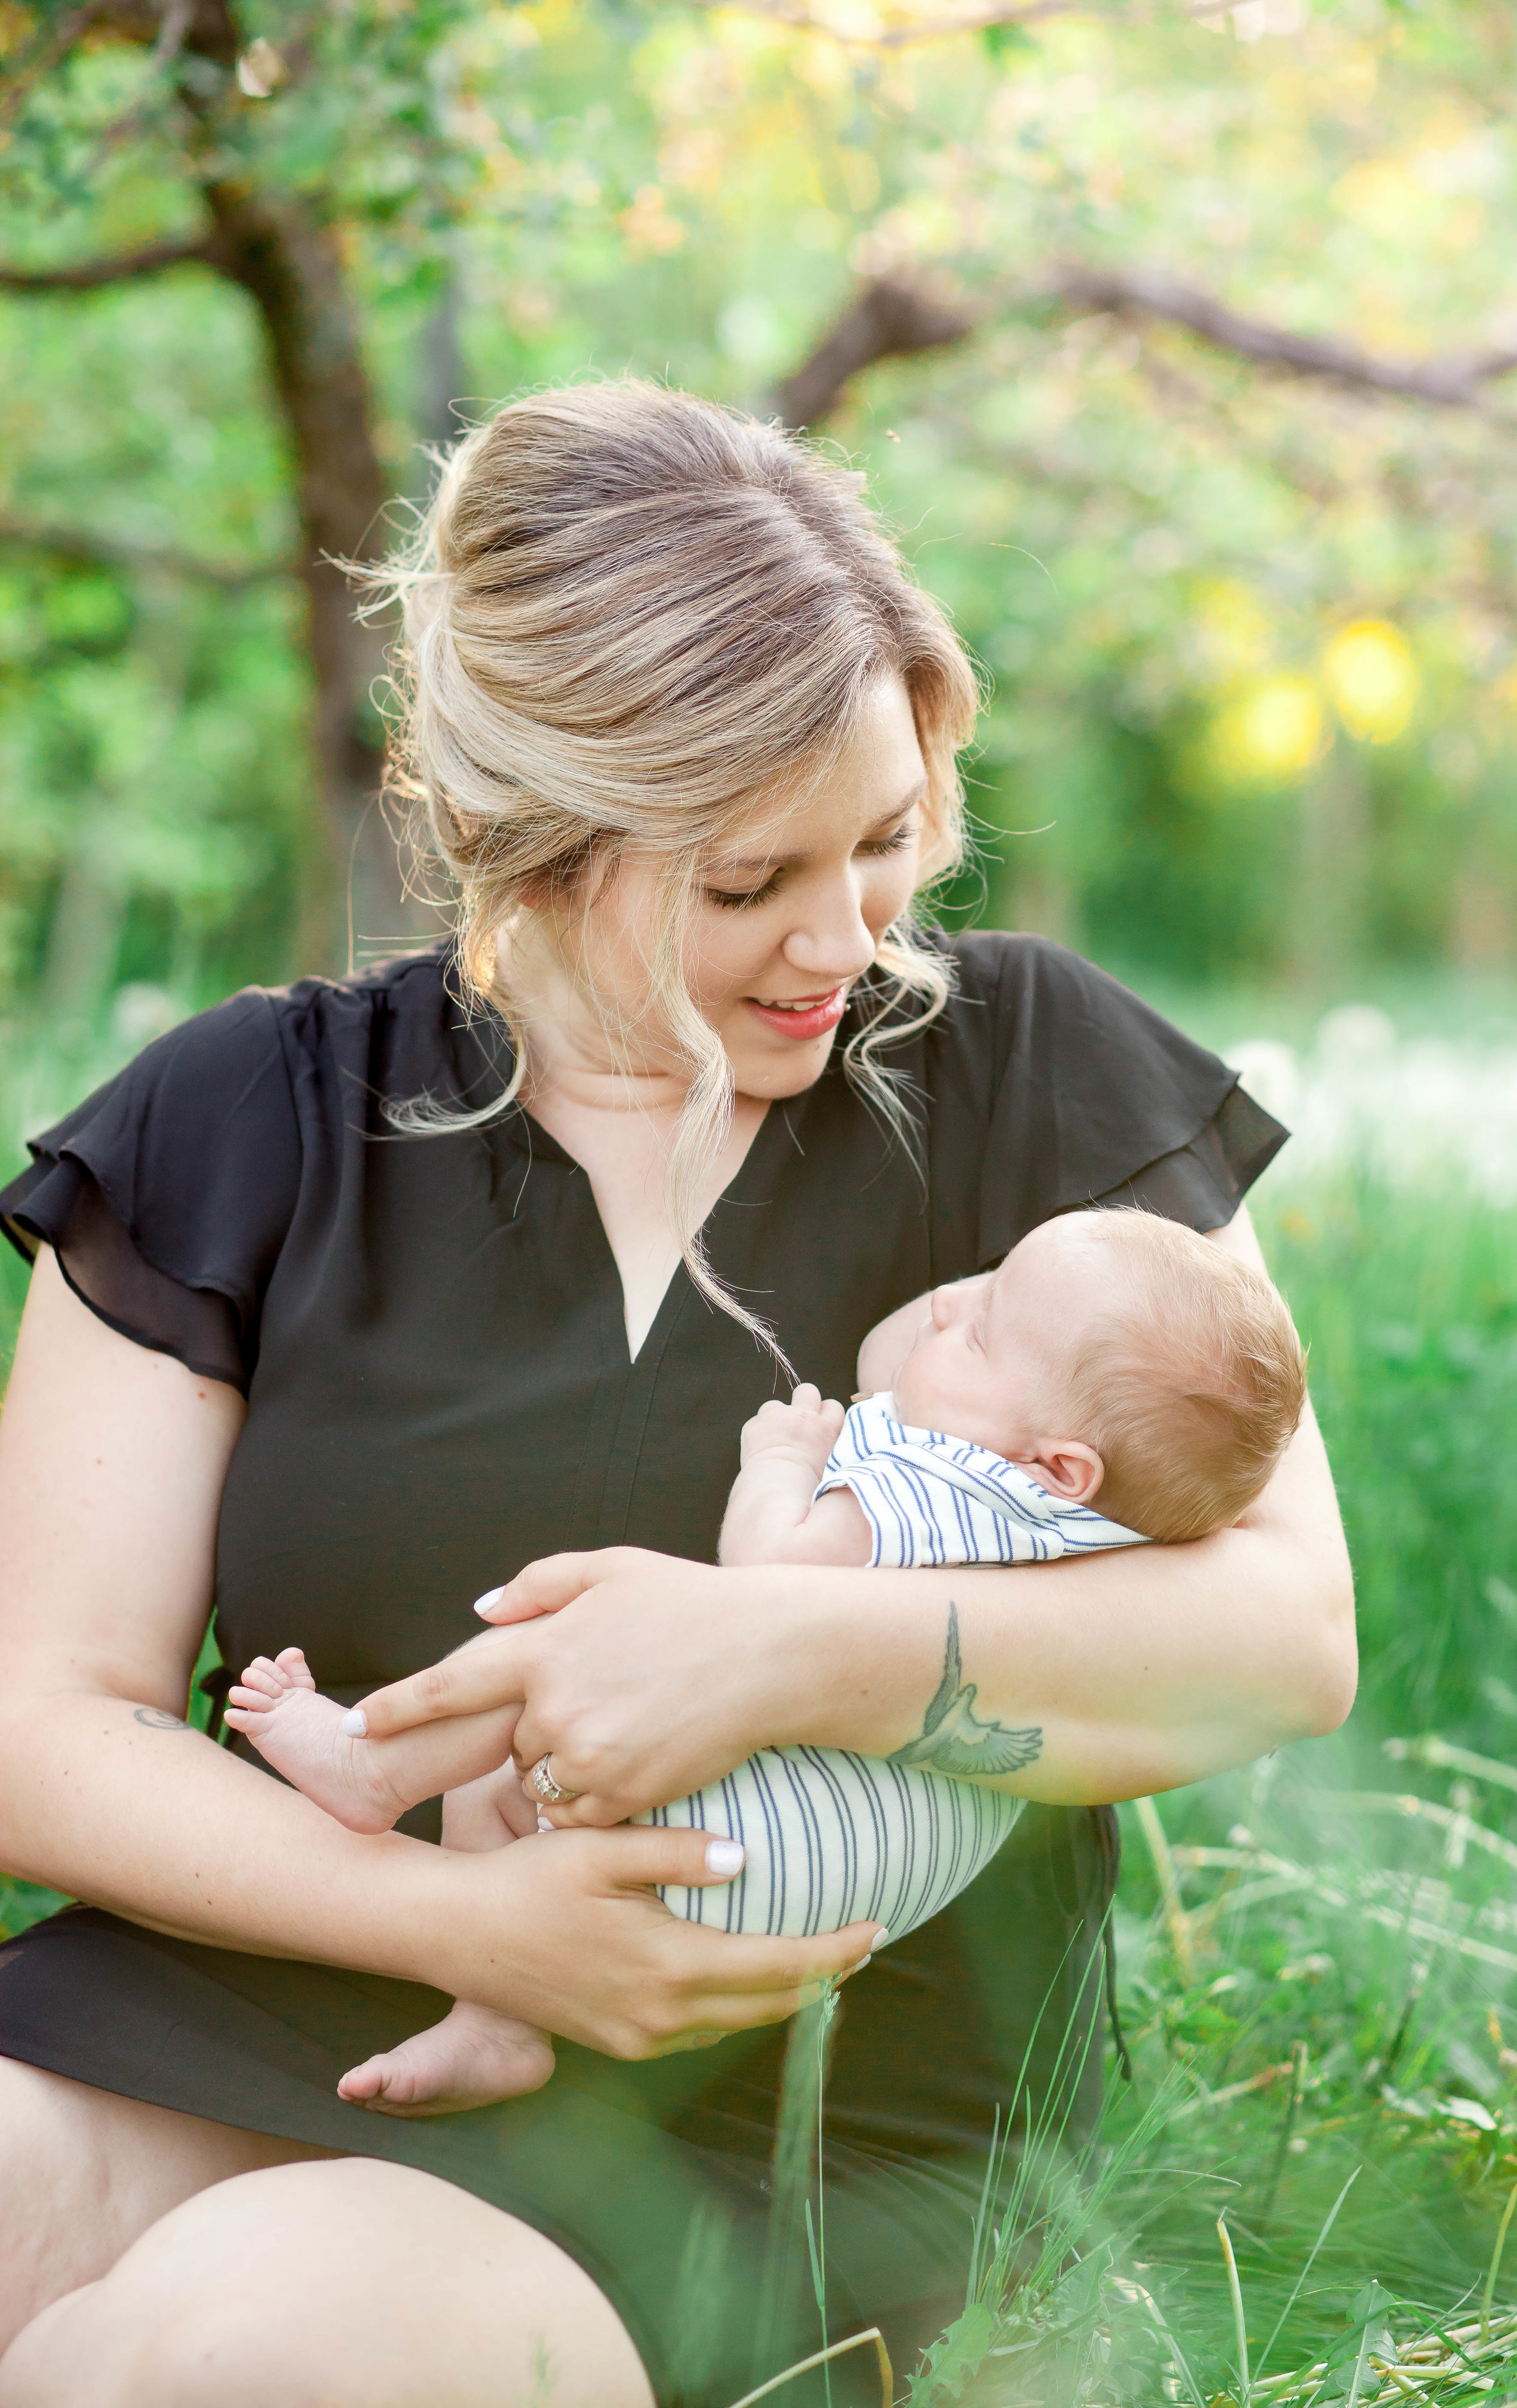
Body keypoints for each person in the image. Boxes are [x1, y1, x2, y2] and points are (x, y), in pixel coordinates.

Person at [0, 380, 1355, 2408]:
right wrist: (456, 1911)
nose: (843, 939)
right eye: (746, 882)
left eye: (884, 841)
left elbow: (1281, 1644)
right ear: (531, 840)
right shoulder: (237, 1117)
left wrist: (777, 1641)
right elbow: (44, 1721)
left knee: (228, 2350)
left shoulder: (1028, 1084)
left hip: (764, 2113)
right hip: (241, 1983)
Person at [220, 1207, 1308, 2116]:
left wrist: (780, 1464)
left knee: (565, 1640)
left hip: (738, 1830)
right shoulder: (1109, 1527)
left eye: (979, 1337)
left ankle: (382, 1765)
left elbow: (770, 1573)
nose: (949, 1303)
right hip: (841, 1883)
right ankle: (501, 2024)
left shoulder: (945, 1483)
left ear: (1058, 1460)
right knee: (537, 1762)